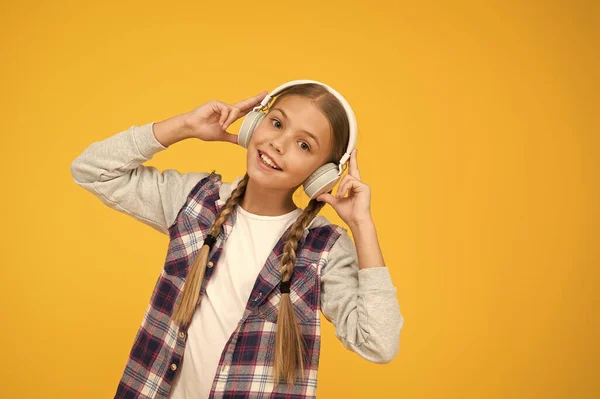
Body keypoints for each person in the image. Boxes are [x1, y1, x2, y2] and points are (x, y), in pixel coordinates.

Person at [70, 80, 404, 399]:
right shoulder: (194, 202)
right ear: (254, 123)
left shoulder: (324, 251)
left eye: (304, 145)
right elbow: (91, 169)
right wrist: (184, 126)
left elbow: (378, 342)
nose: (278, 143)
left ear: (321, 174)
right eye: (276, 123)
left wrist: (362, 226)